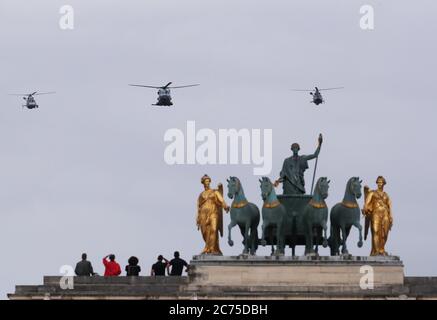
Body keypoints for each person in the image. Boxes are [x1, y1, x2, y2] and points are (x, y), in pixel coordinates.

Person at [197, 174, 230, 255]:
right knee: (205, 232)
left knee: (214, 229)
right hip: (203, 215)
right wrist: (197, 218)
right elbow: (198, 207)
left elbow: (221, 200)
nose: (207, 183)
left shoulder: (214, 192)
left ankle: (213, 249)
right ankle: (207, 247)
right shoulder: (201, 195)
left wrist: (225, 206)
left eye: (208, 181)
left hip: (213, 212)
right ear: (203, 183)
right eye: (206, 181)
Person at [363, 176, 393, 256]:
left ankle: (382, 249)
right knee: (375, 231)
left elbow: (390, 207)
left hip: (385, 214)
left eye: (381, 182)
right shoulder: (372, 193)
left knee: (385, 233)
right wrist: (365, 209)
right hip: (375, 214)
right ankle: (376, 251)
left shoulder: (386, 195)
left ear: (384, 184)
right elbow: (366, 203)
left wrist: (391, 216)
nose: (379, 184)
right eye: (378, 182)